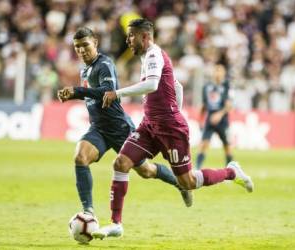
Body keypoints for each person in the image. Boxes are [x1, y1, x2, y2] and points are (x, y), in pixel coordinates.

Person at [93, 18, 254, 239]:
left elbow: (151, 85)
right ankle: (116, 223)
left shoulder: (153, 55)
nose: (128, 40)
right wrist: (172, 110)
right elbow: (176, 85)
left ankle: (231, 171)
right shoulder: (149, 57)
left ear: (145, 36)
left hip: (170, 129)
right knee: (121, 163)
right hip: (150, 125)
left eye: (131, 36)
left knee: (188, 182)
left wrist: (118, 94)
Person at [57, 27, 192, 218]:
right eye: (77, 47)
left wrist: (77, 91)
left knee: (146, 171)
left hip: (120, 128)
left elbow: (107, 90)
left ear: (95, 42)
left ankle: (180, 184)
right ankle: (88, 212)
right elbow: (93, 96)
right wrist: (73, 95)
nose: (81, 50)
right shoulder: (85, 70)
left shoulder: (104, 64)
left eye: (85, 45)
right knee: (80, 157)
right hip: (99, 129)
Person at [196, 63, 233, 169]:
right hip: (210, 118)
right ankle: (197, 169)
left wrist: (219, 114)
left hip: (222, 119)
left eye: (220, 70)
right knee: (203, 144)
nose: (217, 73)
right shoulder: (206, 87)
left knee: (227, 146)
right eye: (216, 70)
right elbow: (203, 105)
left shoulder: (227, 86)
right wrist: (200, 120)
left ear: (224, 73)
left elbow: (229, 106)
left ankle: (229, 170)